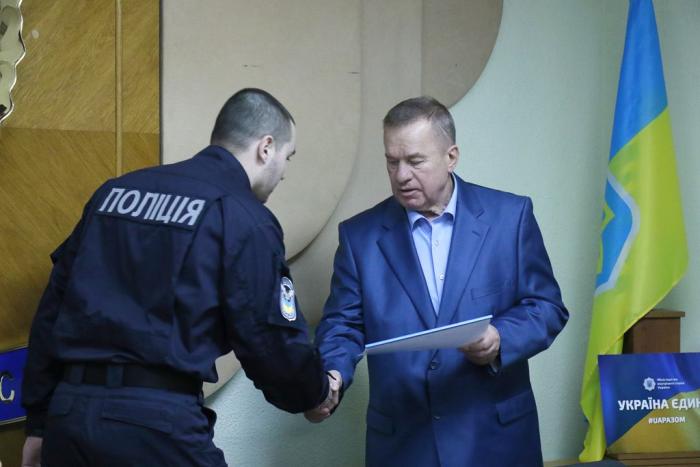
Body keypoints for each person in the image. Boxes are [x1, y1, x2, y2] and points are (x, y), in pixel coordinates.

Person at [20, 88, 339, 467]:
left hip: (69, 417)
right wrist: (315, 392)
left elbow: (53, 309)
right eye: (288, 157)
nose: (284, 172)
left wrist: (39, 422)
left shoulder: (113, 194)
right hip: (155, 424)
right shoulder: (242, 217)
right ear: (266, 148)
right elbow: (268, 338)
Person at [308, 96, 568, 466]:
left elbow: (547, 307)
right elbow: (342, 325)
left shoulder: (510, 217)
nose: (401, 175)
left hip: (496, 441)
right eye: (392, 161)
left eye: (415, 161)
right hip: (404, 446)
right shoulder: (359, 237)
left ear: (451, 157)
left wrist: (500, 338)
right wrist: (331, 376)